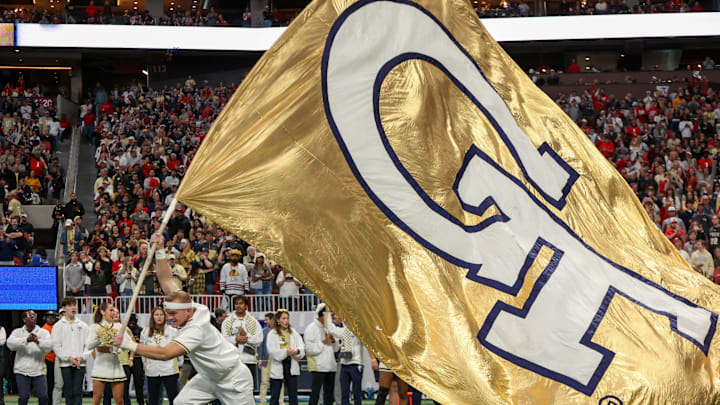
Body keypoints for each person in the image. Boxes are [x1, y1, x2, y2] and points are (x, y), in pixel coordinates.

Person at [113, 232, 255, 405]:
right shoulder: (191, 307)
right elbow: (165, 280)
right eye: (168, 313)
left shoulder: (195, 329)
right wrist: (159, 251)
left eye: (173, 314)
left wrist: (128, 344)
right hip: (209, 378)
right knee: (181, 403)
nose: (169, 318)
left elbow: (165, 354)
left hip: (234, 380)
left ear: (188, 312)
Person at [86, 302, 133, 405]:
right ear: (103, 312)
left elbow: (129, 343)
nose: (113, 313)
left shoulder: (119, 326)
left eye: (114, 311)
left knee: (119, 400)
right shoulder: (95, 327)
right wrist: (100, 339)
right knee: (97, 399)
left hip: (115, 364)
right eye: (111, 310)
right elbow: (89, 345)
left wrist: (119, 346)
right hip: (100, 364)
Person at [6, 310, 53, 405]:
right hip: (21, 370)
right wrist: (26, 340)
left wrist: (38, 341)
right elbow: (10, 344)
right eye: (30, 315)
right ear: (24, 319)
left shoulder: (43, 332)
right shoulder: (17, 332)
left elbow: (49, 347)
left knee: (43, 396)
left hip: (39, 370)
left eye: (34, 315)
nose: (33, 317)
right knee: (23, 397)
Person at [52, 297, 90, 405]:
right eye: (69, 305)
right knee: (69, 393)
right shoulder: (58, 326)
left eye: (74, 305)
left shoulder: (83, 326)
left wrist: (82, 357)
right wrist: (68, 358)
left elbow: (89, 345)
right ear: (64, 308)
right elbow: (56, 346)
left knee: (78, 392)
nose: (73, 308)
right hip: (65, 364)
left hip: (80, 363)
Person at [221, 295, 263, 390]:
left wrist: (246, 338)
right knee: (233, 390)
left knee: (249, 389)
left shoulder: (253, 321)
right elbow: (224, 339)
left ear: (246, 306)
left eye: (241, 303)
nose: (238, 306)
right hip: (233, 361)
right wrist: (236, 339)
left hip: (249, 360)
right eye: (236, 303)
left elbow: (259, 339)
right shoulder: (228, 321)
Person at [141, 307, 180, 405]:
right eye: (156, 315)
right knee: (153, 399)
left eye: (161, 315)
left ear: (165, 316)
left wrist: (178, 364)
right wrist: (146, 365)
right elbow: (143, 352)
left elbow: (178, 350)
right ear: (152, 317)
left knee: (174, 398)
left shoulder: (172, 331)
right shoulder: (145, 331)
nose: (159, 317)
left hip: (170, 369)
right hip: (152, 370)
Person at [267, 309, 305, 405]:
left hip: (291, 364)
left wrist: (297, 351)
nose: (286, 321)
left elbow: (302, 347)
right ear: (278, 320)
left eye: (287, 318)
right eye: (284, 318)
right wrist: (286, 352)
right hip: (278, 364)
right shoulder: (272, 334)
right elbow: (272, 351)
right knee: (275, 396)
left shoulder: (294, 333)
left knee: (293, 395)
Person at [326, 312, 364, 405]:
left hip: (356, 364)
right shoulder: (344, 331)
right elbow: (331, 328)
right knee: (344, 393)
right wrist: (327, 314)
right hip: (344, 365)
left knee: (356, 393)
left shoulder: (360, 330)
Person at [303, 304, 337, 405]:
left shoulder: (330, 328)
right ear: (322, 315)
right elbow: (309, 349)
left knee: (329, 395)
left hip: (330, 366)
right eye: (330, 315)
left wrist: (334, 341)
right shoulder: (311, 328)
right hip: (318, 367)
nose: (332, 317)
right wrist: (323, 342)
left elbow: (335, 350)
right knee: (315, 394)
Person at [258, 313, 284, 405]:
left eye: (266, 320)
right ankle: (262, 401)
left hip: (277, 359)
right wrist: (260, 359)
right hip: (266, 359)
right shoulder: (263, 331)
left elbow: (283, 345)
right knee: (264, 381)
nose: (265, 322)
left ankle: (281, 401)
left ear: (272, 320)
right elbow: (260, 347)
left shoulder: (280, 331)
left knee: (280, 381)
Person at [41, 311, 59, 405]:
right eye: (49, 317)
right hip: (48, 358)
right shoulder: (43, 329)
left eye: (52, 317)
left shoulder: (56, 327)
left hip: (57, 358)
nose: (50, 319)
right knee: (49, 383)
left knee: (57, 383)